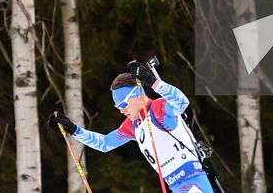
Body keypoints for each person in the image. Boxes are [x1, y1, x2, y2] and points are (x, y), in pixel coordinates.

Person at [49, 60, 215, 193]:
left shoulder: (159, 109)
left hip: (193, 182)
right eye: (118, 107)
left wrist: (152, 81)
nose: (122, 111)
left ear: (136, 95)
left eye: (123, 104)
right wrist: (73, 129)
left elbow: (181, 103)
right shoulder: (133, 126)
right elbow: (104, 143)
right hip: (175, 186)